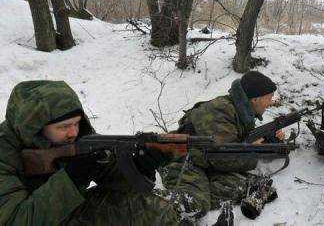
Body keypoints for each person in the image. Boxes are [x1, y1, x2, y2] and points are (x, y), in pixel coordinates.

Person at [0, 80, 195, 225]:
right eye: (64, 126)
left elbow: (111, 176)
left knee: (154, 208)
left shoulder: (78, 138)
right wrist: (72, 179)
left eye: (77, 123)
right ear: (35, 127)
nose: (73, 132)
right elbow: (15, 221)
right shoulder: (4, 152)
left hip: (65, 212)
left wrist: (141, 165)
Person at [159, 71, 283, 221]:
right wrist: (254, 150)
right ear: (255, 99)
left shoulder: (239, 110)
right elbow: (226, 159)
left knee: (245, 185)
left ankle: (200, 189)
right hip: (181, 160)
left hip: (205, 160)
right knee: (195, 203)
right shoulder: (221, 111)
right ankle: (144, 203)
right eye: (268, 98)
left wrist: (269, 140)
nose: (270, 102)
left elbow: (237, 142)